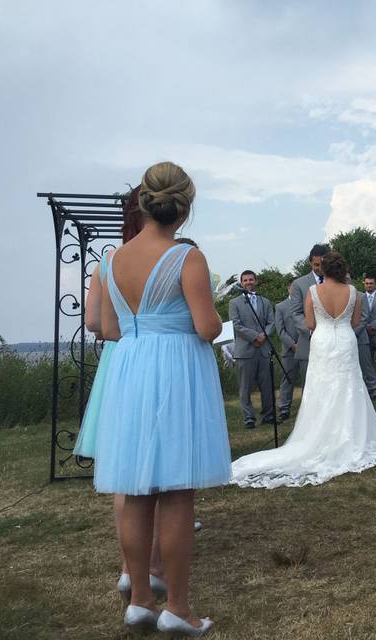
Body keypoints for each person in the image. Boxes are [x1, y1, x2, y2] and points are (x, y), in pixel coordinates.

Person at [95, 161, 230, 635]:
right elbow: (207, 326)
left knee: (134, 489)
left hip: (130, 370)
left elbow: (108, 329)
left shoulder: (109, 261)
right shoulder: (186, 258)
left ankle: (139, 599)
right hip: (174, 370)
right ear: (184, 207)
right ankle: (178, 607)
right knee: (176, 490)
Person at [231, 252, 376, 487]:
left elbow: (310, 323)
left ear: (323, 269)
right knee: (350, 384)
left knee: (322, 385)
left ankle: (322, 435)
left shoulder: (313, 292)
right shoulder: (353, 292)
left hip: (321, 340)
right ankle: (352, 436)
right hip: (345, 339)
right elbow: (355, 322)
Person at [76, 186, 167, 602]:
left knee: (123, 472)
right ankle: (154, 565)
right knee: (161, 464)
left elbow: (95, 322)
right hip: (154, 359)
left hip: (119, 360)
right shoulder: (169, 256)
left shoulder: (109, 261)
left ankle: (129, 568)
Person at [229, 270, 277, 429]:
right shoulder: (234, 303)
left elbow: (272, 322)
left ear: (256, 281)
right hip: (245, 350)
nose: (248, 282)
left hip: (263, 349)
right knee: (245, 387)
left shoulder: (265, 302)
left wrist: (263, 335)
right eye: (245, 280)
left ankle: (268, 415)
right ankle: (249, 418)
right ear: (241, 283)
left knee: (267, 385)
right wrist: (254, 337)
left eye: (251, 279)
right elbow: (236, 325)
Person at [290, 244, 330, 387]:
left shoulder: (337, 282)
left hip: (333, 344)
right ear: (310, 263)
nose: (319, 268)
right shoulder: (298, 284)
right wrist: (314, 331)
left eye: (323, 264)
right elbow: (296, 314)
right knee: (310, 387)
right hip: (308, 344)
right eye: (316, 265)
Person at [273, 283, 299, 421]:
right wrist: (292, 344)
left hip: (307, 347)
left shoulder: (306, 302)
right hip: (289, 350)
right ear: (288, 288)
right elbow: (280, 330)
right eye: (292, 287)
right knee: (287, 380)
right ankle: (284, 408)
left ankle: (309, 408)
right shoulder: (280, 306)